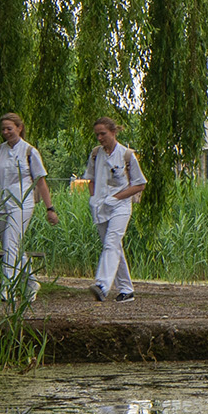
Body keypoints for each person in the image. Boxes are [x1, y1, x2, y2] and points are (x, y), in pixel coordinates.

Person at [0, 112, 55, 299]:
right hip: (0, 203)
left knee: (11, 244)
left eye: (9, 128)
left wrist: (50, 209)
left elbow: (41, 182)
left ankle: (6, 289)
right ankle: (32, 283)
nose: (6, 132)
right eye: (3, 129)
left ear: (19, 128)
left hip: (22, 203)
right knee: (12, 245)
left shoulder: (30, 152)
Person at [85, 118, 146, 302]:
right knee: (114, 248)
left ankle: (102, 286)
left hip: (120, 206)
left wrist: (116, 198)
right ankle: (126, 290)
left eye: (103, 133)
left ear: (113, 132)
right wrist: (93, 198)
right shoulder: (96, 154)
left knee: (111, 243)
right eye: (97, 134)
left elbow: (140, 185)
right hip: (101, 207)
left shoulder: (127, 155)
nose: (100, 138)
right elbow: (91, 179)